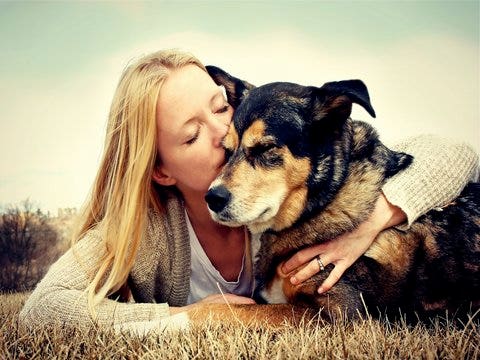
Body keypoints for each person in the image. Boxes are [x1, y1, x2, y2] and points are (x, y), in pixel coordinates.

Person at [19, 49, 479, 333]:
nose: (223, 134)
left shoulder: (281, 176)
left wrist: (378, 217)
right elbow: (42, 312)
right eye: (191, 136)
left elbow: (454, 154)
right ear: (160, 170)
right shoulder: (149, 231)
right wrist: (191, 318)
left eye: (221, 107)